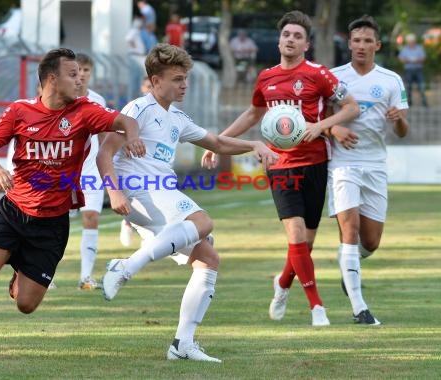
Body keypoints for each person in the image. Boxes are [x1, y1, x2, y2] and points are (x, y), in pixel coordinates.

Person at [0, 48, 145, 359]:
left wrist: (130, 137)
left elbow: (126, 120)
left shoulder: (85, 111)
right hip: (13, 210)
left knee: (26, 305)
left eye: (81, 73)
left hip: (52, 222)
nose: (80, 79)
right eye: (72, 75)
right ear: (51, 79)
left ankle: (19, 271)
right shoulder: (20, 111)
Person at [97, 43, 279, 363]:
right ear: (155, 80)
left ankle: (182, 343)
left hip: (158, 195)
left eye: (186, 78)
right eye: (177, 78)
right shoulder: (137, 110)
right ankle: (124, 267)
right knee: (203, 221)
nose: (184, 84)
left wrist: (253, 143)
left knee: (207, 258)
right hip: (139, 189)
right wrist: (113, 192)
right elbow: (104, 154)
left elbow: (218, 142)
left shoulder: (177, 118)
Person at [202, 10, 360, 326]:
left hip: (316, 163)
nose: (290, 39)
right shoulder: (266, 77)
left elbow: (351, 107)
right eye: (286, 34)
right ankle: (318, 308)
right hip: (280, 163)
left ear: (307, 44)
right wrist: (217, 141)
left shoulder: (319, 74)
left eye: (297, 36)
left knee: (305, 244)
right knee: (296, 233)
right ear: (279, 40)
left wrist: (321, 126)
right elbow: (252, 114)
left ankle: (283, 283)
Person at [328, 15, 409, 325]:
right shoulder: (334, 78)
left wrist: (398, 119)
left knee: (371, 242)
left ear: (378, 45)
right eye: (356, 41)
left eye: (367, 41)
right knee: (349, 232)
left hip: (375, 165)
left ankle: (349, 267)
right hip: (342, 163)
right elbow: (315, 120)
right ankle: (360, 309)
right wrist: (334, 131)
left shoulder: (392, 80)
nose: (361, 46)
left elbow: (403, 131)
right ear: (349, 44)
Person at [73, 53, 109, 290]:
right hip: (62, 171)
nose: (82, 74)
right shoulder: (59, 99)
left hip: (90, 171)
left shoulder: (98, 101)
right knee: (54, 222)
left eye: (86, 70)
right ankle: (45, 274)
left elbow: (105, 134)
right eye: (78, 70)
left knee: (91, 217)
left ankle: (86, 276)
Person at [119, 76, 152, 248]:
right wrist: (126, 141)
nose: (149, 89)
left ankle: (144, 233)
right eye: (147, 86)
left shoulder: (165, 111)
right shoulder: (135, 107)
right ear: (142, 87)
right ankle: (129, 223)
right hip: (134, 163)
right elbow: (118, 130)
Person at [398, 33, 428, 107]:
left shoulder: (419, 48)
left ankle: (424, 103)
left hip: (418, 69)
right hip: (409, 70)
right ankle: (409, 103)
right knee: (408, 87)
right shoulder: (405, 49)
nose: (411, 42)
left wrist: (417, 60)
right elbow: (401, 58)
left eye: (412, 41)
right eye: (410, 41)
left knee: (422, 87)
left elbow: (423, 58)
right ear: (408, 42)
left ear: (414, 41)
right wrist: (407, 60)